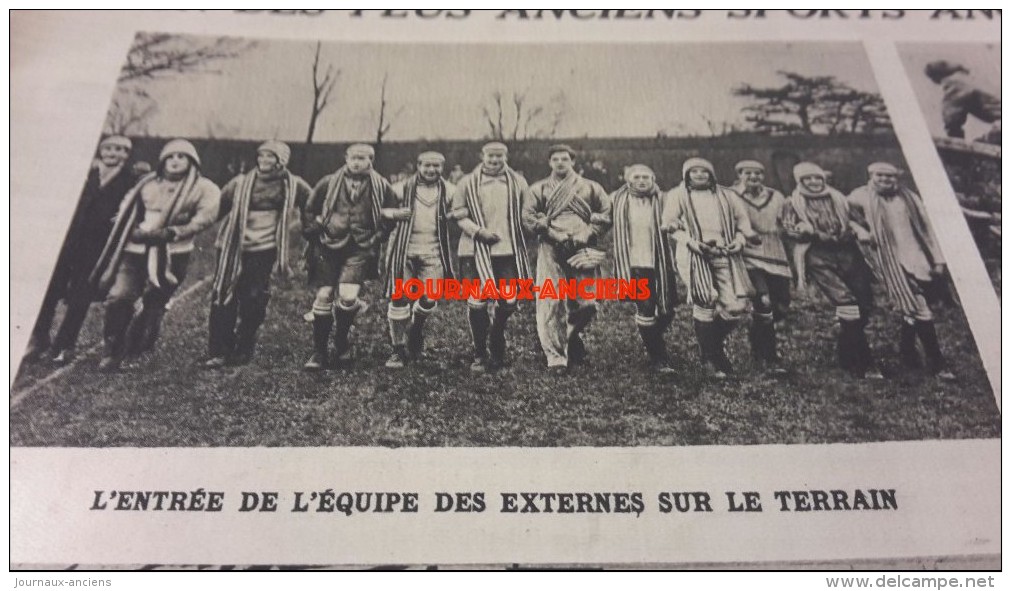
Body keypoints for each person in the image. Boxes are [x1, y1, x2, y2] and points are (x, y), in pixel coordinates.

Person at [90, 139, 221, 372]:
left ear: (192, 161)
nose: (175, 161)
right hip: (136, 249)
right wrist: (131, 230)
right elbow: (126, 209)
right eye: (171, 156)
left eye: (182, 156)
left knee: (154, 302)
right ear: (163, 160)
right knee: (120, 296)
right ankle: (112, 348)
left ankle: (139, 346)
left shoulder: (204, 188)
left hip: (172, 253)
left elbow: (204, 218)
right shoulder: (147, 184)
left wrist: (173, 232)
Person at [24, 135, 138, 365]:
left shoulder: (130, 181)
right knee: (50, 290)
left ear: (126, 155)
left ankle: (65, 344)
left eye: (120, 149)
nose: (113, 153)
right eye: (109, 148)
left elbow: (132, 211)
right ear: (100, 150)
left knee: (80, 296)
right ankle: (39, 338)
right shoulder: (87, 174)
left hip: (97, 247)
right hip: (67, 242)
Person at [205, 140, 312, 368]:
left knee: (253, 297)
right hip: (232, 245)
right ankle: (219, 350)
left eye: (270, 157)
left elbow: (311, 206)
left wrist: (312, 226)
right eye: (261, 156)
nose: (264, 161)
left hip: (264, 248)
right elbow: (216, 209)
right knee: (224, 294)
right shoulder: (239, 183)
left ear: (281, 161)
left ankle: (244, 346)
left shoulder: (294, 184)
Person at [847, 162, 955, 380]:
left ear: (897, 179)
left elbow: (927, 228)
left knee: (912, 306)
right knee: (920, 306)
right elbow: (845, 218)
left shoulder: (909, 198)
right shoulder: (858, 196)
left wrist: (938, 260)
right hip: (887, 260)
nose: (885, 181)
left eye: (890, 177)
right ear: (871, 175)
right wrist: (860, 231)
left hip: (916, 256)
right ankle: (938, 364)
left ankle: (907, 350)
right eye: (880, 176)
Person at [300, 143, 399, 371]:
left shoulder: (381, 185)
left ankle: (342, 341)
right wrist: (312, 229)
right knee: (324, 295)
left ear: (370, 161)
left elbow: (392, 212)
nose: (356, 162)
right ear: (346, 158)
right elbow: (309, 208)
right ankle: (319, 351)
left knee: (347, 295)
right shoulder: (328, 182)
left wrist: (379, 236)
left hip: (360, 247)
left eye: (362, 158)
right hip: (328, 245)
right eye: (353, 158)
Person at [780, 162, 880, 380]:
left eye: (817, 178)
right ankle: (864, 362)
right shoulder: (793, 203)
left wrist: (856, 229)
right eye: (808, 179)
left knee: (864, 303)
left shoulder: (839, 198)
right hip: (818, 254)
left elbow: (857, 221)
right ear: (800, 182)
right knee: (846, 302)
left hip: (847, 252)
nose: (814, 183)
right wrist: (803, 230)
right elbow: (788, 229)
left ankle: (846, 350)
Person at [662, 158, 754, 379]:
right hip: (693, 253)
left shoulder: (727, 195)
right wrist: (693, 243)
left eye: (705, 171)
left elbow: (743, 224)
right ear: (687, 174)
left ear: (712, 174)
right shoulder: (677, 194)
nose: (700, 175)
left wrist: (739, 241)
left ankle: (714, 346)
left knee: (735, 305)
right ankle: (710, 359)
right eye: (694, 171)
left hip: (724, 252)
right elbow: (670, 225)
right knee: (706, 298)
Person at [523, 144, 611, 372]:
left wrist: (588, 233)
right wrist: (552, 233)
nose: (560, 163)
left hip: (582, 246)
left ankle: (570, 335)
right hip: (551, 246)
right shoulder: (539, 188)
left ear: (573, 161)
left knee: (588, 302)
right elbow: (529, 217)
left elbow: (605, 213)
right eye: (555, 159)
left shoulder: (590, 187)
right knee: (552, 299)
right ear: (549, 162)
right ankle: (555, 357)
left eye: (565, 159)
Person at [450, 142, 533, 372]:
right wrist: (479, 232)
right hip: (474, 249)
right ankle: (480, 353)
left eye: (499, 156)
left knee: (509, 300)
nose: (495, 160)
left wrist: (538, 224)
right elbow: (459, 215)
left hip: (507, 250)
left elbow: (528, 213)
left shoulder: (518, 182)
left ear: (506, 157)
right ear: (482, 156)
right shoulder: (467, 182)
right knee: (477, 301)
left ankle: (495, 335)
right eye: (490, 156)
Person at [383, 151, 457, 368]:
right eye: (427, 166)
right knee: (399, 296)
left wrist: (452, 215)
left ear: (442, 168)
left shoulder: (450, 190)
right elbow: (376, 208)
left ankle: (415, 328)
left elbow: (464, 208)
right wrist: (392, 214)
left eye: (436, 166)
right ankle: (397, 350)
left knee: (431, 295)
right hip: (403, 247)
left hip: (433, 249)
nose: (431, 170)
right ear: (418, 166)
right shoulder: (401, 188)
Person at [610, 164, 677, 372]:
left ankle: (652, 338)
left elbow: (678, 218)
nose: (641, 180)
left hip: (660, 262)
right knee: (646, 307)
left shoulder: (665, 199)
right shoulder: (616, 199)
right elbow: (602, 216)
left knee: (667, 311)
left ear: (653, 179)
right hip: (633, 263)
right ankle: (658, 357)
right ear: (628, 180)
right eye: (637, 177)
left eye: (646, 177)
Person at [729, 160, 792, 374]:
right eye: (748, 174)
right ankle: (768, 356)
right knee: (763, 302)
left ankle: (757, 334)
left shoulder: (776, 196)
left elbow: (788, 220)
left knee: (781, 305)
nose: (753, 178)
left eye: (758, 174)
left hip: (775, 252)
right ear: (739, 175)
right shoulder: (731, 196)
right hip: (748, 253)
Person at [925, 59, 1001, 144]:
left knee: (981, 147)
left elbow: (952, 117)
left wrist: (956, 142)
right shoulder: (971, 78)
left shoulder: (954, 83)